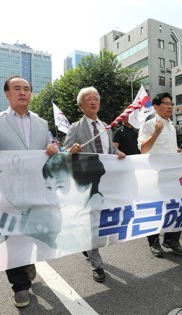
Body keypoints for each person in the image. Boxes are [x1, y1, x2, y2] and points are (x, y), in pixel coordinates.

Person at [0, 75, 59, 308]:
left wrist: (52, 148)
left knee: (38, 233)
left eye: (26, 89)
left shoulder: (42, 123)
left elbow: (51, 150)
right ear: (7, 94)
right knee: (13, 239)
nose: (23, 92)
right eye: (17, 88)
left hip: (37, 190)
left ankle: (29, 262)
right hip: (10, 192)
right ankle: (20, 286)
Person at [62, 86, 125, 282]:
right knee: (91, 223)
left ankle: (88, 248)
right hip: (87, 183)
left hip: (106, 182)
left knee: (101, 221)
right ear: (81, 105)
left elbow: (110, 153)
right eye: (88, 99)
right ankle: (96, 263)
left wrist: (119, 154)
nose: (93, 101)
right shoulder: (75, 128)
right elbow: (64, 154)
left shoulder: (107, 127)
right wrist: (70, 150)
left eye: (96, 98)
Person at [137, 92, 182, 257]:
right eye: (166, 103)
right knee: (157, 210)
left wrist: (180, 151)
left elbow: (168, 149)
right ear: (156, 106)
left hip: (173, 175)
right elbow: (143, 149)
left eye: (171, 104)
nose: (170, 106)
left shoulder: (171, 125)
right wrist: (156, 133)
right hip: (156, 176)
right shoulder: (149, 125)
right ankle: (154, 242)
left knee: (180, 206)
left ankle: (171, 239)